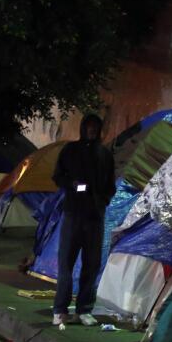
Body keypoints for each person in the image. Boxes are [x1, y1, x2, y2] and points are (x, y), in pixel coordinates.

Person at [51, 113, 115, 329]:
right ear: (82, 128)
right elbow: (58, 176)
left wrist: (102, 200)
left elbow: (110, 184)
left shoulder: (105, 154)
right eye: (88, 127)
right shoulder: (70, 151)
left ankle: (84, 309)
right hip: (73, 213)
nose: (91, 130)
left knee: (92, 263)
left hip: (95, 217)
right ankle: (60, 309)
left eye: (95, 127)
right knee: (66, 263)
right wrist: (73, 184)